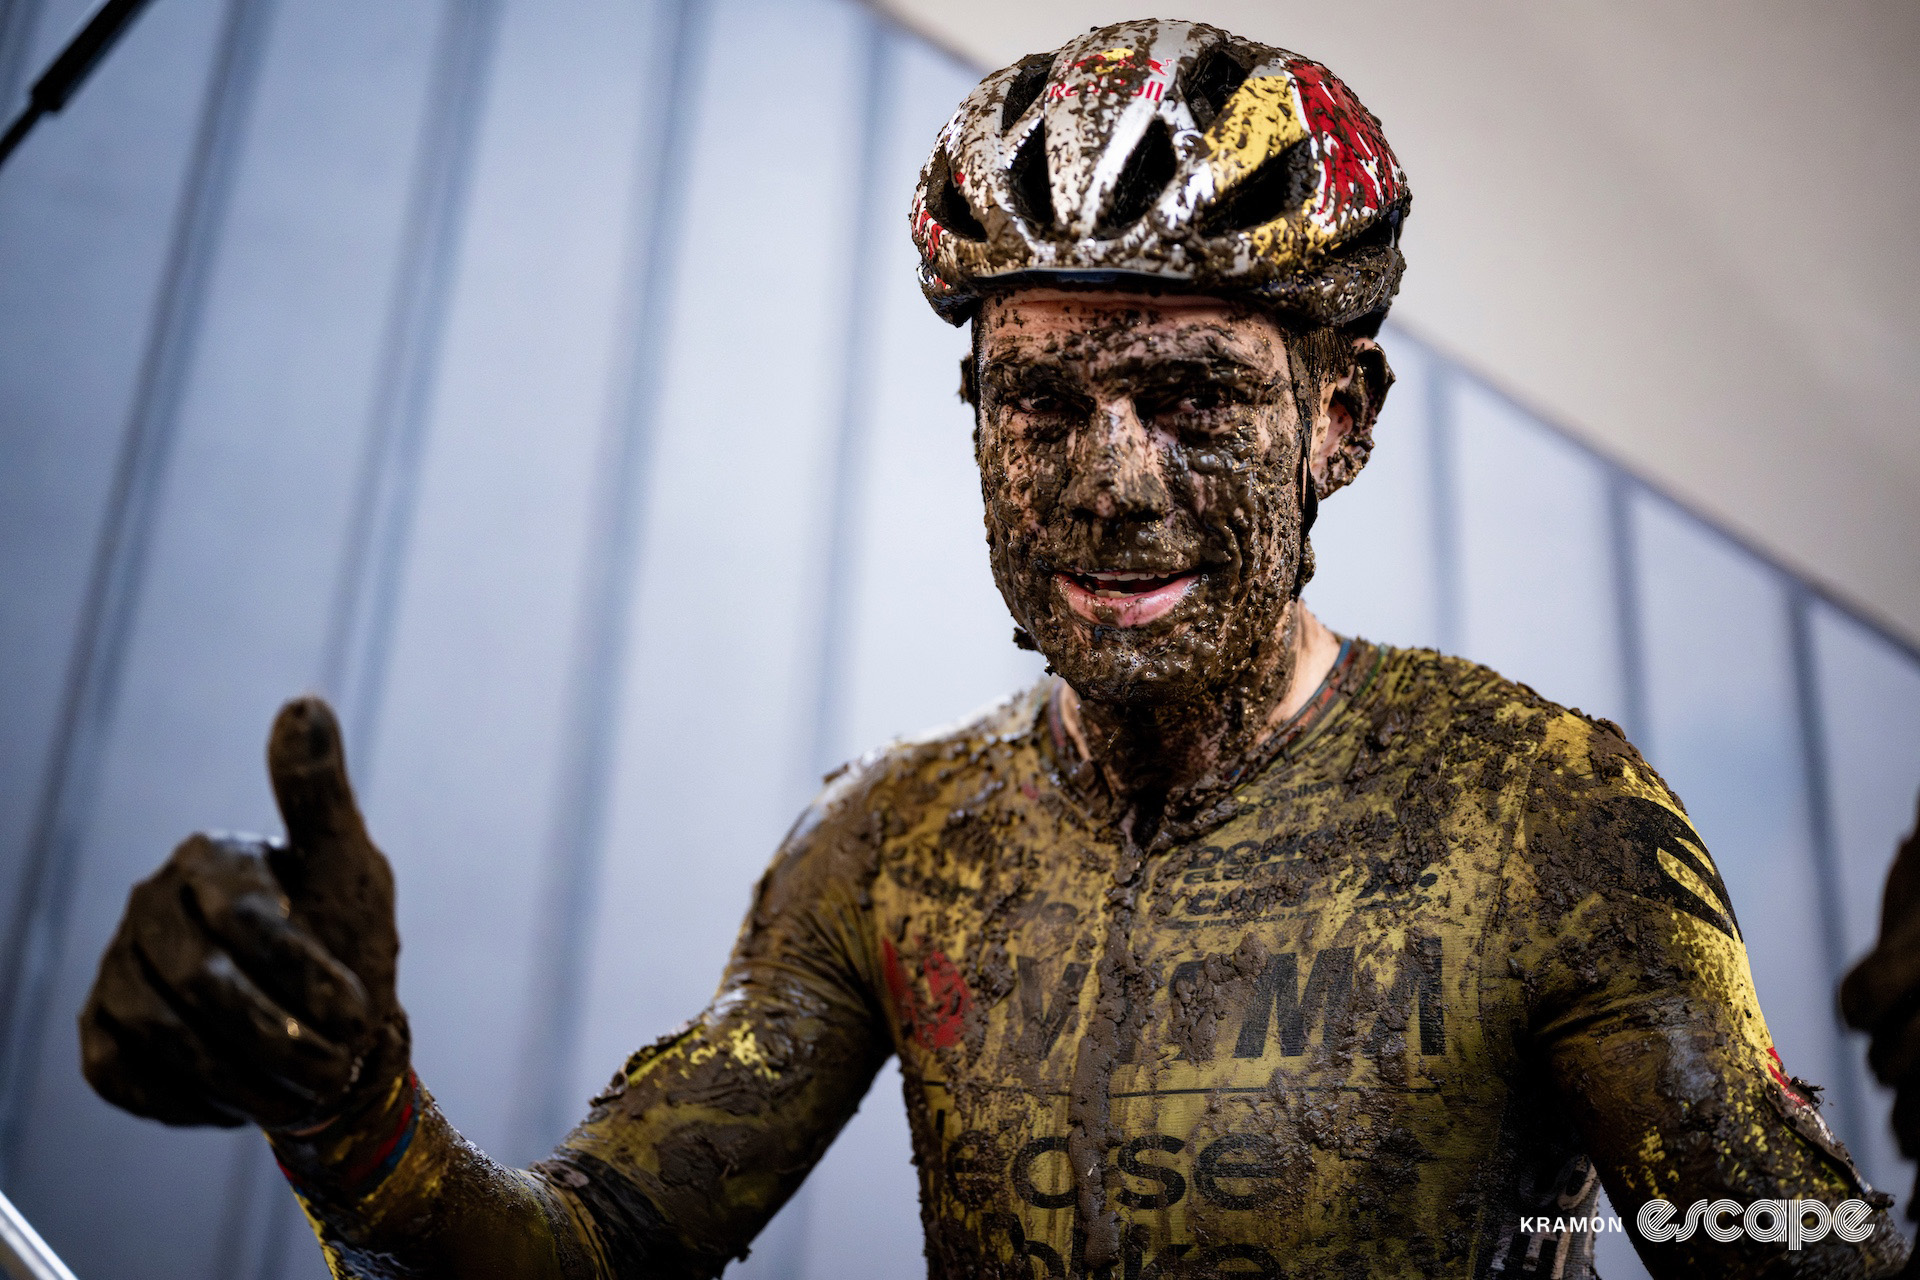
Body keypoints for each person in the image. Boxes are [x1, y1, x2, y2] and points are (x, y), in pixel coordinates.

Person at [77, 19, 1912, 1279]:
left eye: (1196, 396)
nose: (1111, 483)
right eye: (1044, 401)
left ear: (1343, 418)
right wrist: (349, 1112)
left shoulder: (1544, 820)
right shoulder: (892, 841)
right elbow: (592, 1254)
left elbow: (1789, 1248)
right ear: (974, 413)